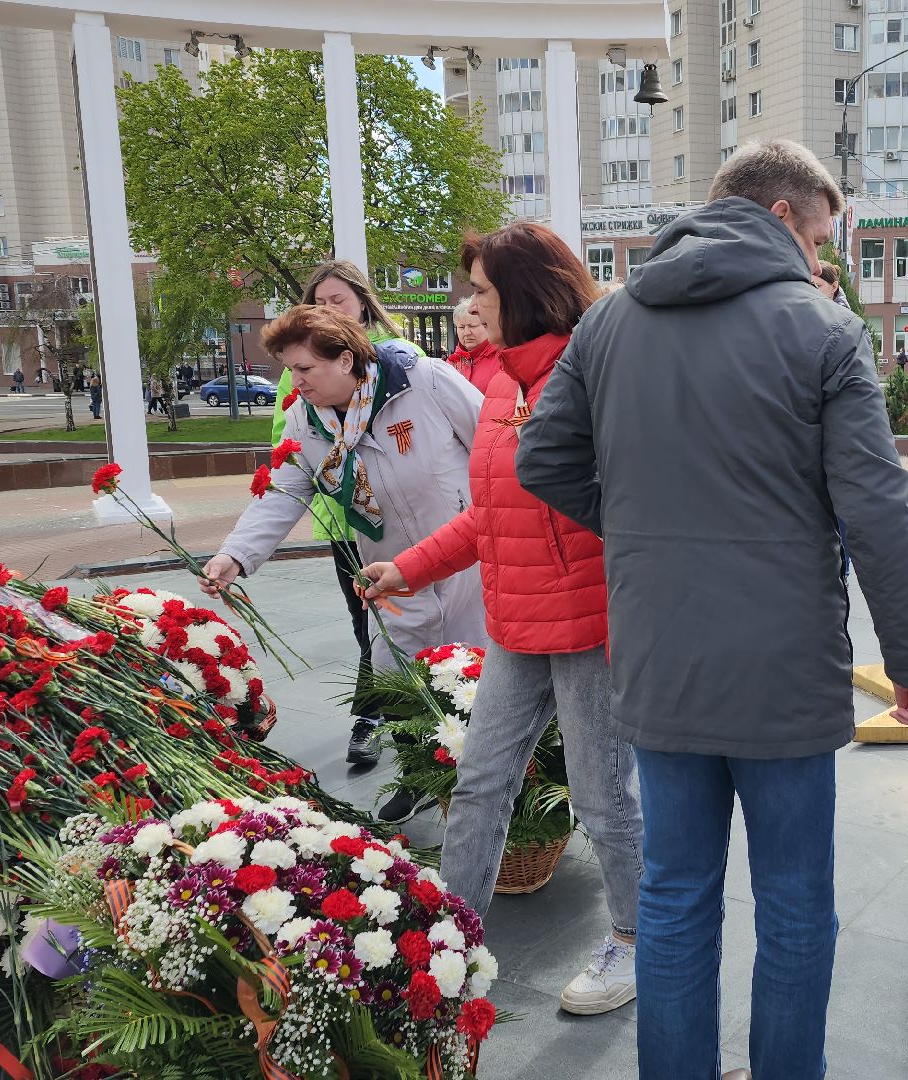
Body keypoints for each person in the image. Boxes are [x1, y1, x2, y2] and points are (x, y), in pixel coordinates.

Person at [516, 139, 908, 1080]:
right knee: (794, 902)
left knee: (673, 896)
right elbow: (878, 509)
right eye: (822, 232)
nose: (822, 257)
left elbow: (540, 461)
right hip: (783, 661)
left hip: (660, 652)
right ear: (784, 214)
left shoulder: (609, 322)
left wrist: (634, 525)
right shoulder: (824, 330)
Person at [360, 222, 645, 1018]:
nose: (470, 306)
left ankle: (633, 936)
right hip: (518, 623)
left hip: (589, 625)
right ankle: (453, 938)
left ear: (520, 294)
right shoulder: (499, 388)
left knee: (603, 797)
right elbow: (489, 517)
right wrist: (409, 565)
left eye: (482, 292)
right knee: (481, 782)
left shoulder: (589, 377)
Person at [204, 302, 486, 802]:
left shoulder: (421, 381)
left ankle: (504, 783)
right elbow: (280, 493)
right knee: (403, 674)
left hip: (470, 553)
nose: (296, 381)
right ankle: (422, 773)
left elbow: (490, 442)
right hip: (391, 568)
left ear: (345, 361)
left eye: (305, 369)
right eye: (290, 370)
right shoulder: (306, 423)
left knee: (479, 674)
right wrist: (236, 555)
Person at [267, 261, 442, 803]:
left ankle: (452, 750)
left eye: (337, 300)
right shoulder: (300, 380)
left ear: (362, 304)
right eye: (318, 301)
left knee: (456, 645)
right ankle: (388, 736)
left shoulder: (407, 366)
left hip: (438, 530)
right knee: (377, 634)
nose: (328, 309)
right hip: (352, 528)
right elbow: (288, 452)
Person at [445, 296, 501, 394]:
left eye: (472, 326)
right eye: (461, 327)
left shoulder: (502, 359)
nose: (466, 332)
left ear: (487, 325)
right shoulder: (451, 363)